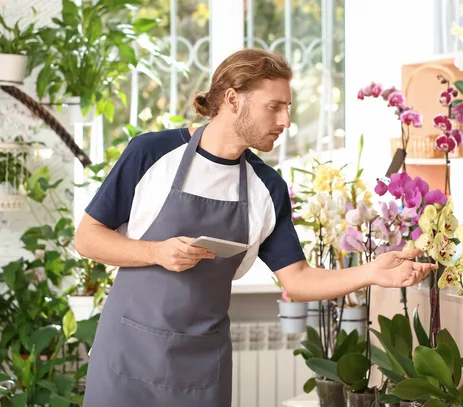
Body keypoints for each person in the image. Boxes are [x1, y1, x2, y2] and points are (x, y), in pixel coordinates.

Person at [76, 48, 437, 407]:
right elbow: (87, 238)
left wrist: (372, 271)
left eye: (288, 108)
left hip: (200, 369)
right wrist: (155, 251)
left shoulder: (267, 187)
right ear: (233, 99)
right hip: (127, 355)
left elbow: (297, 279)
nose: (286, 121)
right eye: (274, 106)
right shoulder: (151, 153)